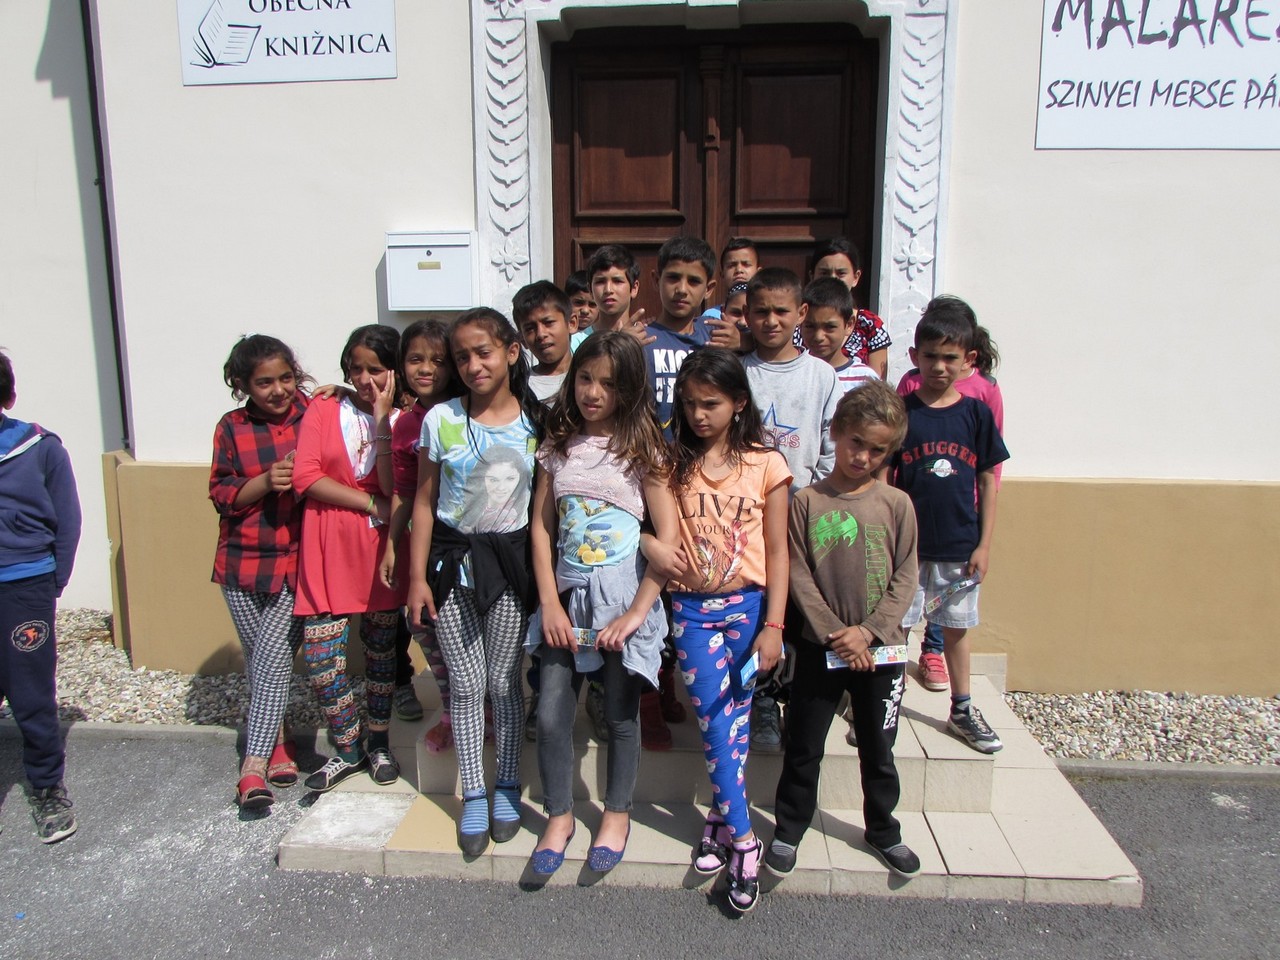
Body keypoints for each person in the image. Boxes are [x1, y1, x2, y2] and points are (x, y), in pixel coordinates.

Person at [526, 332, 682, 876]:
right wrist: (549, 603)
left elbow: (668, 539)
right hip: (566, 602)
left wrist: (637, 614)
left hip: (620, 602)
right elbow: (541, 528)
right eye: (586, 379)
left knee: (619, 714)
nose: (594, 393)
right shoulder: (559, 446)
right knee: (551, 714)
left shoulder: (645, 451)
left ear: (630, 389)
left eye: (609, 384)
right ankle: (559, 815)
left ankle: (616, 813)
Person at [767, 380, 921, 881]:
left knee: (879, 747)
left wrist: (870, 632)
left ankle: (884, 830)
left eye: (878, 450)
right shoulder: (806, 502)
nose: (863, 457)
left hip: (882, 653)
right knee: (804, 745)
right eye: (857, 442)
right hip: (820, 650)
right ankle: (789, 828)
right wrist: (838, 634)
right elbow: (798, 574)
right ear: (835, 432)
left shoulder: (897, 504)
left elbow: (906, 576)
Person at [406, 308, 542, 855]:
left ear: (511, 352)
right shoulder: (440, 419)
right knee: (465, 686)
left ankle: (507, 782)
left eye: (483, 351)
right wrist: (417, 578)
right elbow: (423, 501)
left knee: (504, 682)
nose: (473, 364)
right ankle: (475, 792)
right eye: (461, 356)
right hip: (453, 569)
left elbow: (543, 508)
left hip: (509, 569)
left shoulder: (537, 421)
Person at [667, 348, 791, 913]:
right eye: (690, 403)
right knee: (714, 718)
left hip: (749, 609)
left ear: (739, 402)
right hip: (691, 610)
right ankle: (744, 841)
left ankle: (718, 819)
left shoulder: (768, 464)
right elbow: (646, 524)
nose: (698, 414)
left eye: (711, 403)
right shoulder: (671, 461)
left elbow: (779, 551)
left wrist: (775, 626)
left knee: (736, 719)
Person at [893, 297, 1009, 753]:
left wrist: (984, 544)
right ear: (914, 357)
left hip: (959, 544)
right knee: (896, 628)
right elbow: (884, 478)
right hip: (907, 547)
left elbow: (989, 480)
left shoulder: (976, 414)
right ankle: (883, 705)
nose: (939, 366)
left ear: (968, 360)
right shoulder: (901, 412)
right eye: (930, 356)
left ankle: (962, 708)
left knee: (956, 631)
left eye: (949, 357)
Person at [293, 324, 407, 791]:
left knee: (381, 652)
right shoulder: (324, 407)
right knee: (322, 657)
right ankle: (347, 744)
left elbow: (394, 487)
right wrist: (368, 503)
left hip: (381, 549)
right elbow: (306, 477)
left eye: (375, 369)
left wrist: (382, 418)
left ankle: (378, 742)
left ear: (395, 371)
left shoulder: (404, 420)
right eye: (355, 369)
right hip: (326, 542)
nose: (364, 379)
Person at [740, 267, 842, 753]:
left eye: (781, 311)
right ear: (746, 315)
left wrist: (805, 502)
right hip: (746, 518)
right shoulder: (738, 372)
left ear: (801, 313)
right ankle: (761, 697)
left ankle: (801, 698)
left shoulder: (822, 376)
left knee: (801, 611)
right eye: (760, 311)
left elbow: (831, 445)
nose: (771, 320)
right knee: (760, 608)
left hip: (803, 515)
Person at [210, 335, 313, 810]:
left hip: (297, 561)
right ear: (243, 386)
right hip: (241, 562)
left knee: (271, 659)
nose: (278, 390)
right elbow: (221, 494)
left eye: (286, 378)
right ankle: (279, 742)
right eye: (264, 383)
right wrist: (265, 481)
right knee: (262, 662)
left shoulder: (315, 415)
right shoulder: (232, 427)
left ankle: (251, 766)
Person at [0, 350, 81, 843]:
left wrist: (54, 583)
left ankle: (47, 785)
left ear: (7, 397)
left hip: (25, 584)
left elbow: (67, 519)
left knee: (30, 692)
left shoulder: (40, 448)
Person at [377, 320, 459, 749]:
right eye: (415, 359)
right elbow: (405, 492)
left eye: (438, 360)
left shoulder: (469, 411)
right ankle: (450, 712)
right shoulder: (407, 425)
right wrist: (393, 544)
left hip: (470, 546)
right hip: (427, 545)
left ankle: (483, 710)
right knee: (425, 626)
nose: (426, 369)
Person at [644, 236, 718, 437]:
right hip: (651, 453)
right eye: (673, 277)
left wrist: (743, 341)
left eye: (694, 281)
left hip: (705, 453)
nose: (682, 290)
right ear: (656, 280)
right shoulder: (641, 339)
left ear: (709, 289)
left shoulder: (716, 336)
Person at [793, 237, 891, 379]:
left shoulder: (869, 324)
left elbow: (877, 385)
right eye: (824, 273)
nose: (832, 279)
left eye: (841, 273)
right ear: (812, 275)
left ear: (856, 277)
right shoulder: (798, 321)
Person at [799, 276, 879, 393]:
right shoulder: (794, 374)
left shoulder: (865, 380)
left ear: (849, 325)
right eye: (810, 326)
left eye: (830, 327)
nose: (818, 337)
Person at [515, 281, 578, 403]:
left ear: (571, 323)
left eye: (548, 323)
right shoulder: (518, 388)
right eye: (530, 328)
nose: (541, 334)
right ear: (522, 339)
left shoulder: (590, 378)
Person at [587, 245, 642, 335]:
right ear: (590, 290)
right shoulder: (574, 341)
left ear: (634, 288)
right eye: (600, 282)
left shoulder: (647, 339)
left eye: (617, 281)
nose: (608, 290)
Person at [701, 238, 760, 323]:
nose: (739, 270)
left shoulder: (765, 314)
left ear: (758, 272)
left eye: (746, 264)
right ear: (722, 274)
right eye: (731, 265)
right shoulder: (711, 316)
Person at [564, 270, 598, 349]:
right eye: (579, 303)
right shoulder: (560, 335)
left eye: (592, 304)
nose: (585, 311)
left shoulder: (603, 336)